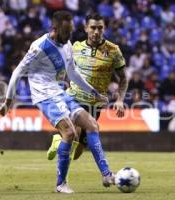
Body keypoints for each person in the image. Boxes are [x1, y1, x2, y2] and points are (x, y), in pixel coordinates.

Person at [0, 11, 115, 194]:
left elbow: (73, 73)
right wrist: (8, 101)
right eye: (66, 31)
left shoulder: (66, 44)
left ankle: (107, 174)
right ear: (55, 29)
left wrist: (94, 92)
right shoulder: (39, 47)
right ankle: (61, 184)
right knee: (70, 133)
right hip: (44, 95)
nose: (69, 34)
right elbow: (17, 72)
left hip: (59, 92)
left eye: (71, 30)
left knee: (91, 125)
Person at [47, 13, 127, 168]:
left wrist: (120, 99)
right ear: (86, 28)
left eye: (100, 28)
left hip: (95, 105)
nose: (96, 32)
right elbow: (65, 70)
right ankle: (62, 181)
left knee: (76, 153)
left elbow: (123, 78)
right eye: (93, 28)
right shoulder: (75, 47)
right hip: (74, 99)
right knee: (74, 136)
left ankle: (58, 141)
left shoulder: (113, 50)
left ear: (104, 29)